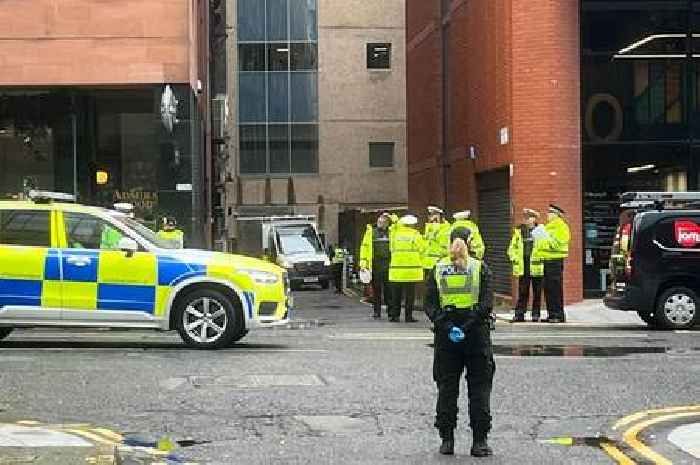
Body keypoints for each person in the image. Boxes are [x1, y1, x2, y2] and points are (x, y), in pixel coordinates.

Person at [424, 226, 495, 457]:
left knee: (446, 388)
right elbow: (485, 305)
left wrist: (448, 326)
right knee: (479, 388)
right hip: (475, 335)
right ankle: (479, 442)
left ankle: (447, 441)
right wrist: (466, 326)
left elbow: (430, 305)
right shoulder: (480, 267)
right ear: (470, 242)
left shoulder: (438, 267)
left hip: (447, 336)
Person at [532, 204, 571, 323]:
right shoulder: (548, 227)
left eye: (550, 213)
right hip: (546, 261)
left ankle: (558, 315)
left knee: (555, 289)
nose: (548, 215)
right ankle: (551, 314)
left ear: (556, 215)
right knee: (548, 289)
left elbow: (556, 244)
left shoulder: (562, 227)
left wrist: (544, 239)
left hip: (555, 261)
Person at [507, 209, 544, 322]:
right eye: (526, 218)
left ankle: (535, 314)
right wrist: (514, 258)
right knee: (523, 291)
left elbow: (545, 246)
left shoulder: (541, 231)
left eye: (530, 218)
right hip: (524, 265)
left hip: (537, 266)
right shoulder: (519, 232)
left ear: (534, 219)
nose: (527, 220)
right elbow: (512, 248)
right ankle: (519, 314)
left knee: (537, 292)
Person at [388, 214, 425, 323]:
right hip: (411, 270)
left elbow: (391, 248)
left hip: (396, 270)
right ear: (412, 225)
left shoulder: (395, 234)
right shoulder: (415, 234)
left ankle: (395, 316)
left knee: (396, 295)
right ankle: (408, 317)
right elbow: (422, 249)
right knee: (409, 295)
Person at [359, 211, 395, 318]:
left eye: (384, 220)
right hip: (376, 264)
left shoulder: (392, 232)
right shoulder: (371, 232)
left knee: (389, 289)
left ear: (388, 222)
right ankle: (377, 311)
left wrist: (390, 216)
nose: (381, 222)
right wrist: (363, 264)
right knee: (377, 289)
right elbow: (364, 248)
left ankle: (390, 311)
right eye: (380, 220)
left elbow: (398, 223)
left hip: (389, 263)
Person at [423, 206, 452, 275]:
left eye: (434, 215)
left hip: (439, 263)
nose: (431, 217)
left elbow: (445, 248)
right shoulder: (428, 228)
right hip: (427, 264)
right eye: (430, 215)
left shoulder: (445, 229)